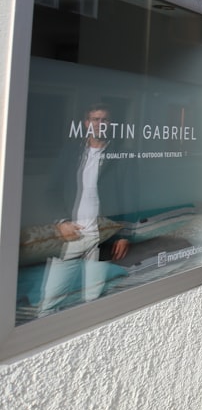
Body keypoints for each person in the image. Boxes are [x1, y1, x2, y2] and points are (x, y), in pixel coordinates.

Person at [31, 103, 138, 314]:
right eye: (95, 120)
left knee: (93, 300)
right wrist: (61, 222)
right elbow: (52, 190)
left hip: (102, 236)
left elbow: (131, 198)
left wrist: (125, 234)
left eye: (104, 120)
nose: (100, 125)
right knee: (50, 301)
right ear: (86, 123)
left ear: (111, 124)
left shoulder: (122, 155)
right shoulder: (71, 152)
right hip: (72, 235)